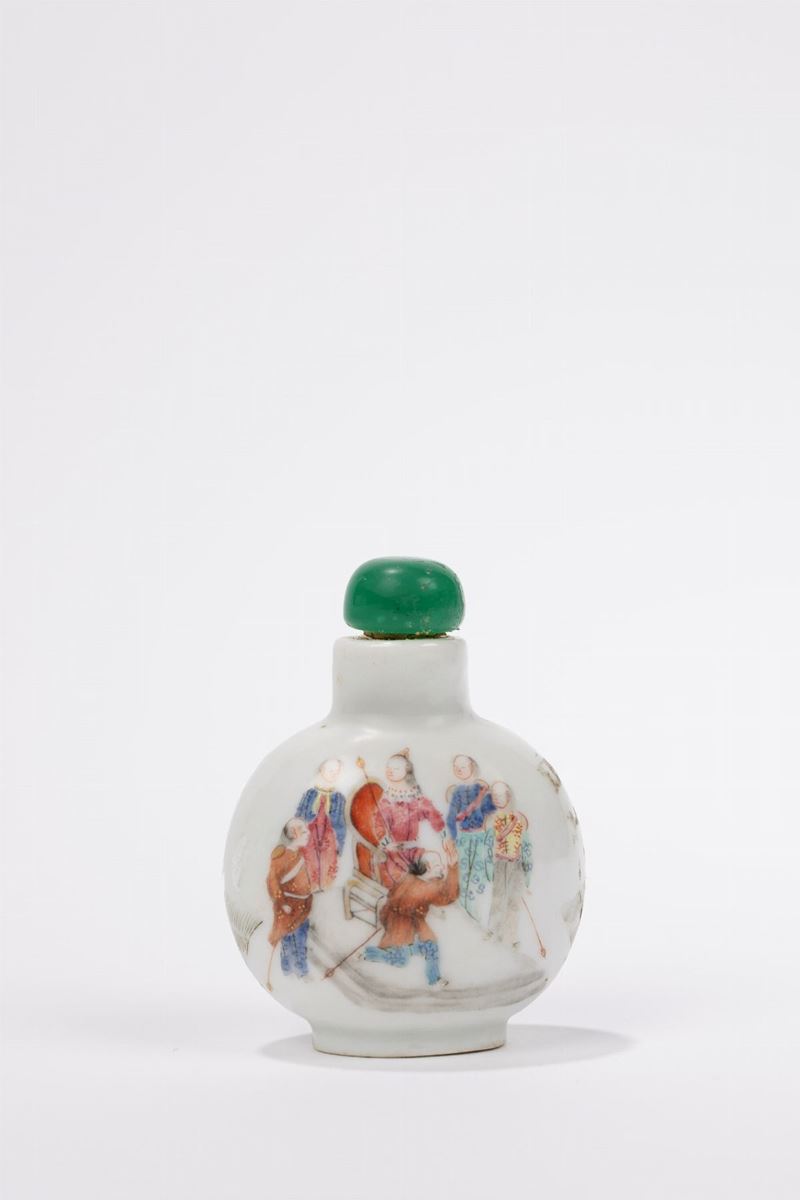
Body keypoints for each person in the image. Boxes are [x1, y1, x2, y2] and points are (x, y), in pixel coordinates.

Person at [364, 839, 459, 987]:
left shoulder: (428, 883)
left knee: (431, 946)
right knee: (400, 960)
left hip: (416, 928)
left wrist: (452, 867)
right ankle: (368, 953)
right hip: (400, 929)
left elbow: (448, 895)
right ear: (427, 867)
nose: (442, 868)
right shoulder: (422, 886)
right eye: (438, 865)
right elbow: (447, 896)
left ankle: (434, 978)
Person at [375, 748, 445, 884]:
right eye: (388, 768)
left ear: (406, 771)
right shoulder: (387, 799)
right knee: (404, 878)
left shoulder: (414, 795)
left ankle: (431, 882)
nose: (390, 771)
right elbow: (379, 822)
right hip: (394, 852)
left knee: (432, 860)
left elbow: (431, 812)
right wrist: (384, 839)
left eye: (396, 769)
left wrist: (443, 833)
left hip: (413, 850)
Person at [445, 754, 495, 918]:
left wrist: (488, 795)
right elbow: (451, 816)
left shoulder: (482, 789)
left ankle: (476, 912)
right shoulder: (457, 792)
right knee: (462, 874)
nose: (459, 770)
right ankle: (464, 911)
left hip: (480, 837)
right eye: (456, 767)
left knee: (478, 876)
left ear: (472, 767)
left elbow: (490, 810)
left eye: (463, 767)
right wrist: (452, 837)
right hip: (464, 838)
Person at [486, 782, 532, 946]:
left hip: (516, 863)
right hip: (500, 862)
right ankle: (493, 931)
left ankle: (511, 936)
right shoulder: (495, 818)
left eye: (500, 796)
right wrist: (513, 823)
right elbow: (499, 837)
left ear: (508, 796)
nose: (497, 799)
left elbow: (525, 843)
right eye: (494, 796)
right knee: (498, 897)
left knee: (514, 900)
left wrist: (527, 874)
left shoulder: (520, 817)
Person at [267, 818, 314, 981]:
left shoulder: (298, 855)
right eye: (304, 831)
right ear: (294, 833)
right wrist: (282, 903)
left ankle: (288, 971)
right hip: (288, 908)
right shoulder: (281, 857)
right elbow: (272, 882)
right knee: (293, 942)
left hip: (302, 907)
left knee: (296, 939)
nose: (308, 833)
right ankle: (298, 972)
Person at [295, 758, 346, 891]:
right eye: (330, 770)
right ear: (321, 770)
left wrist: (340, 842)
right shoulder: (310, 794)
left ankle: (325, 886)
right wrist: (297, 833)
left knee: (327, 860)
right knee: (310, 858)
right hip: (310, 833)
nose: (334, 774)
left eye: (337, 772)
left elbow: (340, 822)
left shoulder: (339, 797)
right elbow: (300, 814)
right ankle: (312, 886)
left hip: (329, 836)